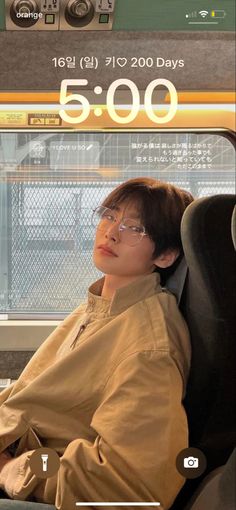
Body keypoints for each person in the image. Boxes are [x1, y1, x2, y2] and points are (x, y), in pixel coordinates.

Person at [0, 178, 193, 510]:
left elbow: (131, 485)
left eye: (136, 228)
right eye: (110, 215)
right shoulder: (101, 306)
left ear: (165, 255)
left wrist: (9, 469)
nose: (112, 232)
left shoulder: (149, 348)